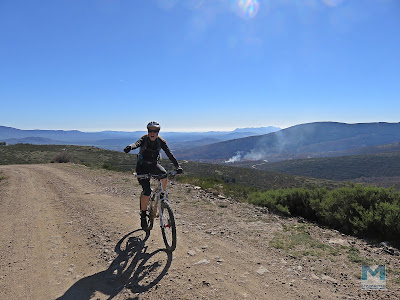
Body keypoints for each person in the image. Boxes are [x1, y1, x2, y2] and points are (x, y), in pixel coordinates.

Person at [124, 121, 183, 229]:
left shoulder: (161, 141)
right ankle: (143, 215)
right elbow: (136, 144)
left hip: (153, 165)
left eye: (155, 131)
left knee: (164, 175)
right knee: (147, 191)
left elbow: (169, 154)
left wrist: (177, 166)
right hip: (142, 167)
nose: (152, 133)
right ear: (148, 131)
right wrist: (130, 147)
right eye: (150, 130)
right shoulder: (144, 139)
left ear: (158, 132)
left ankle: (161, 196)